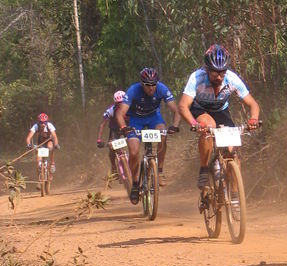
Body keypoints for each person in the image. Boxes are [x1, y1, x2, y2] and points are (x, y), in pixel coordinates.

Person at [178, 44, 260, 189]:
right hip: (200, 109)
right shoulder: (197, 77)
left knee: (232, 153)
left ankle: (235, 196)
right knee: (209, 126)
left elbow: (253, 104)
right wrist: (193, 123)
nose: (219, 77)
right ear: (207, 69)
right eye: (215, 74)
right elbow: (183, 106)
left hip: (221, 111)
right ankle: (203, 169)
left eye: (222, 72)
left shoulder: (232, 78)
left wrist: (253, 119)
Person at [115, 67, 181, 204]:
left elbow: (176, 110)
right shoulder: (133, 90)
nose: (151, 89)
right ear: (142, 84)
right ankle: (134, 183)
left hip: (154, 118)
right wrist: (124, 127)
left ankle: (160, 170)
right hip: (136, 120)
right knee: (133, 151)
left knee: (163, 134)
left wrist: (174, 126)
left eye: (153, 85)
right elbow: (120, 113)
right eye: (147, 85)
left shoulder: (162, 88)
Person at [97, 90, 127, 176]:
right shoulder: (110, 110)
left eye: (122, 102)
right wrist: (99, 139)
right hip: (115, 129)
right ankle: (113, 166)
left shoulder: (131, 107)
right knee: (112, 147)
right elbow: (102, 125)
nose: (120, 105)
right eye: (118, 103)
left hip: (127, 127)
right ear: (115, 103)